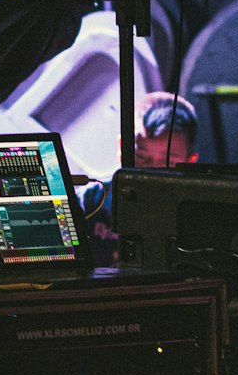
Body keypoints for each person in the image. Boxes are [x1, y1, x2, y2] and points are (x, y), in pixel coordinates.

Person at [81, 90, 198, 266]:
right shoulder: (91, 200)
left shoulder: (195, 215)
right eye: (142, 157)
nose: (152, 170)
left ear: (190, 162)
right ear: (122, 148)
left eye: (168, 161)